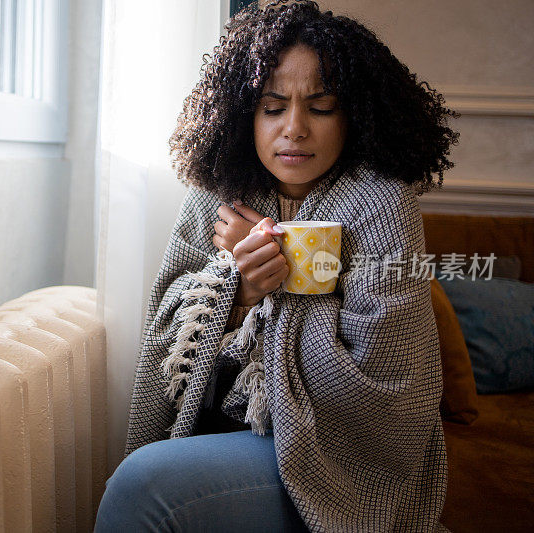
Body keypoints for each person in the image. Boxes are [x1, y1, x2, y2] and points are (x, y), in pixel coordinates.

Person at [95, 1, 459, 531]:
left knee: (142, 487)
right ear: (244, 112)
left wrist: (282, 278)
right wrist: (237, 290)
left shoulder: (381, 203)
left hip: (340, 453)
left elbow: (390, 384)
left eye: (321, 106)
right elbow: (165, 329)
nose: (295, 128)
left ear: (354, 112)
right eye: (272, 107)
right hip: (219, 424)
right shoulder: (215, 194)